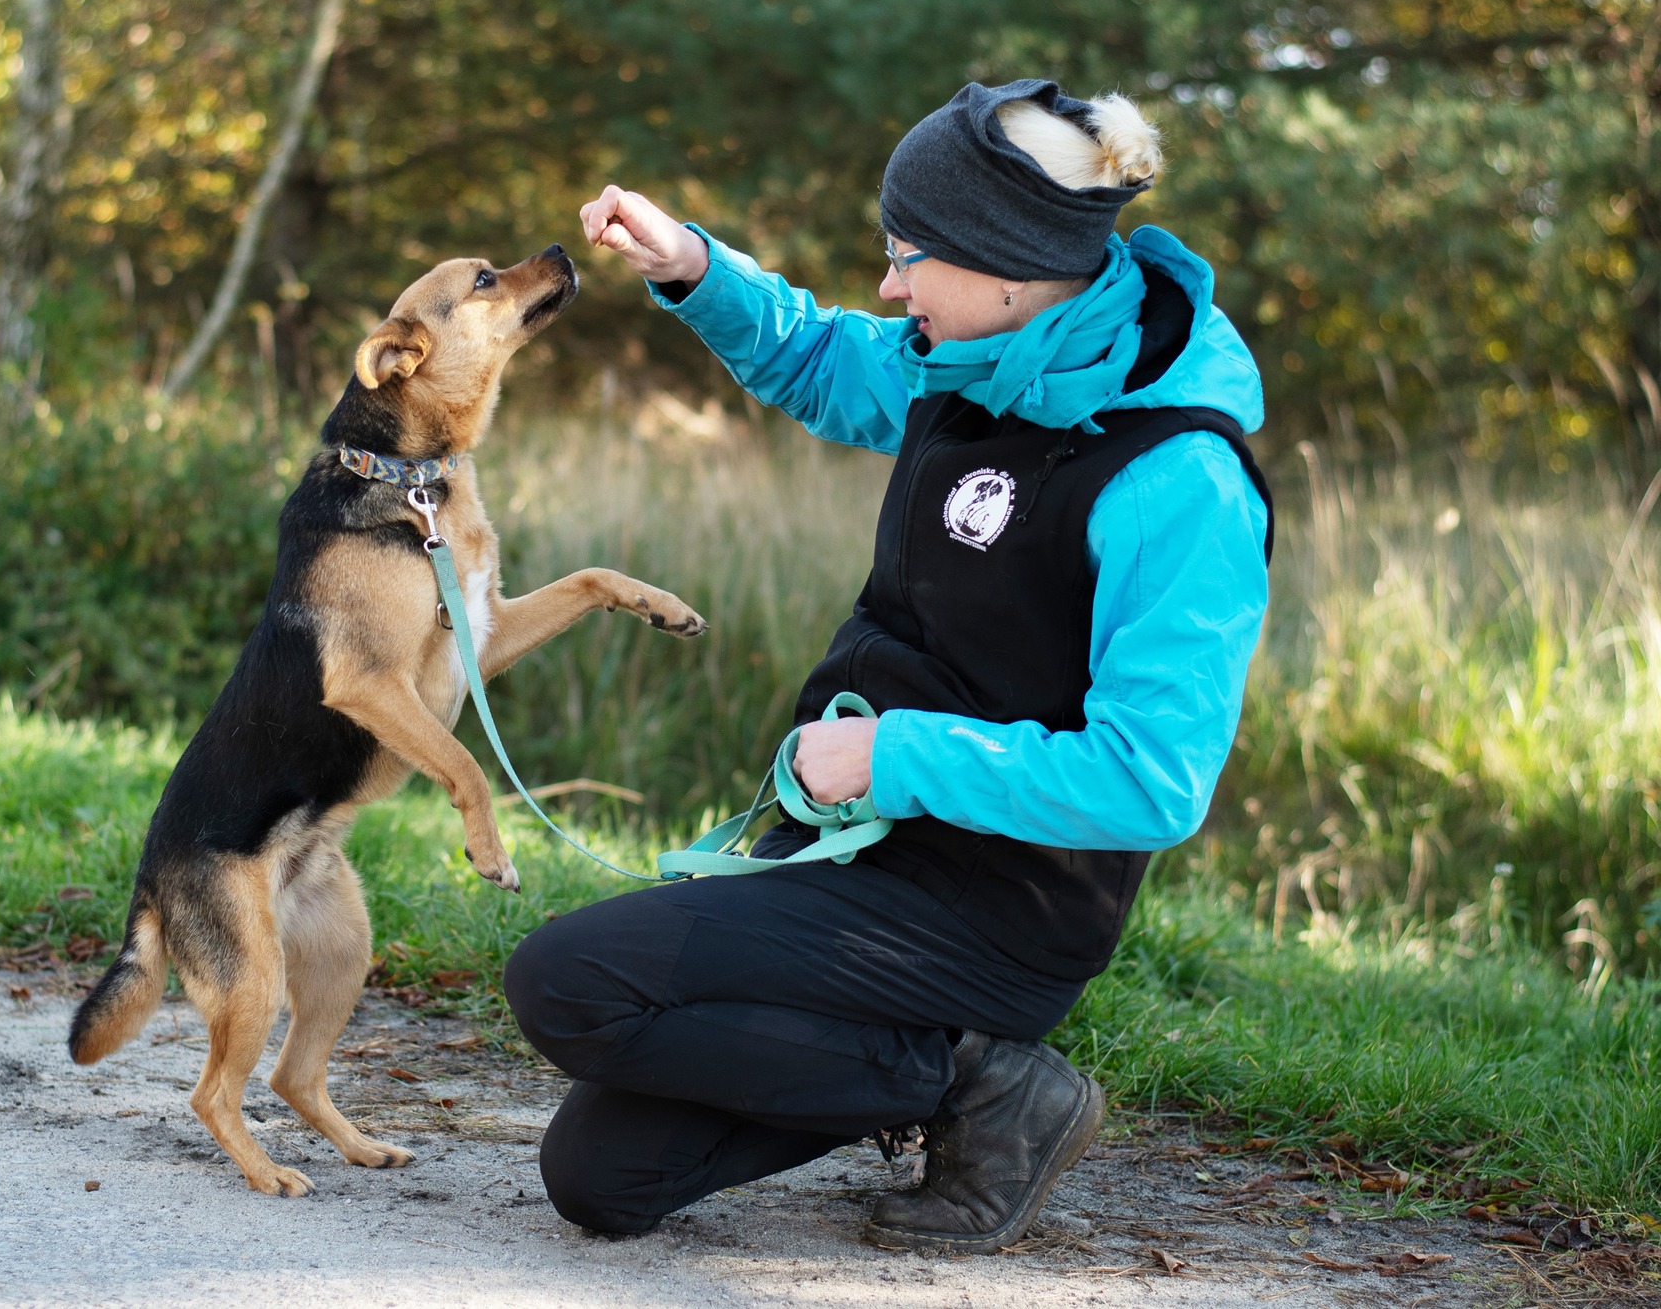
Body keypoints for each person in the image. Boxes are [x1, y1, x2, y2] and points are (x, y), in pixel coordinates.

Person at [502, 79, 1274, 1252]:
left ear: (1010, 266)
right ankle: (958, 1082)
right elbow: (817, 358)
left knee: (568, 981)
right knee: (599, 1180)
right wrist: (689, 268)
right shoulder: (959, 356)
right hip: (849, 847)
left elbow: (1149, 783)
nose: (889, 285)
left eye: (909, 255)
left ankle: (980, 1076)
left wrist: (891, 756)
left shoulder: (1176, 479)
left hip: (995, 908)